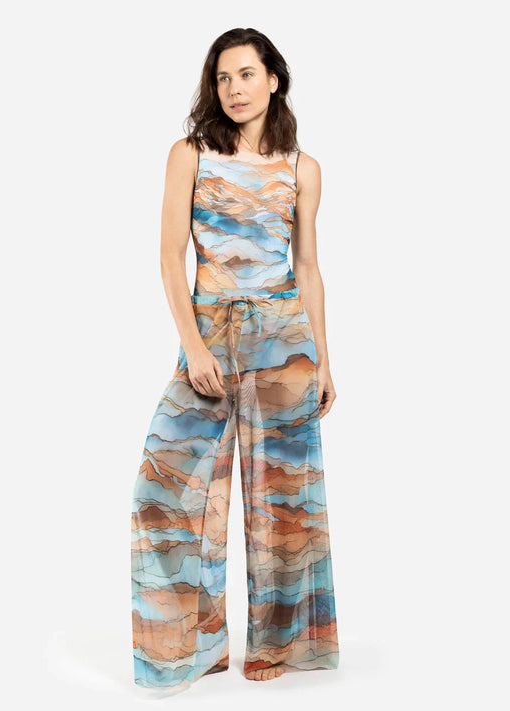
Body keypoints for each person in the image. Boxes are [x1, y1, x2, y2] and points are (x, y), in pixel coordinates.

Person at [131, 27, 340, 694]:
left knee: (284, 499)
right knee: (165, 493)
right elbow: (170, 257)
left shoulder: (302, 167)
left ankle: (279, 642)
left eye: (246, 74)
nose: (234, 88)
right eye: (223, 77)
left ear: (273, 80)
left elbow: (307, 266)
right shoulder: (190, 154)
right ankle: (197, 643)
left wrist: (324, 361)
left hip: (284, 339)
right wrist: (193, 346)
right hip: (212, 332)